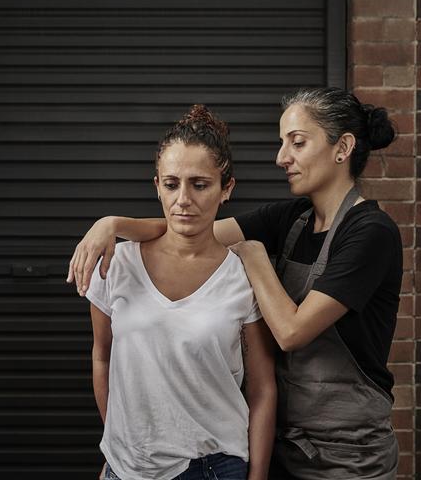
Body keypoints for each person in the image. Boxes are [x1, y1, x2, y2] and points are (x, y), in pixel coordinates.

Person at [68, 87, 402, 479]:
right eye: (282, 143)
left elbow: (293, 332)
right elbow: (190, 226)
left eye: (296, 143)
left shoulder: (370, 233)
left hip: (346, 453)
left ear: (342, 147)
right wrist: (112, 225)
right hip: (287, 445)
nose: (281, 158)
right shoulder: (293, 217)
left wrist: (255, 254)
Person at [84, 104, 276, 480]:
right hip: (126, 469)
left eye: (200, 184)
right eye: (171, 184)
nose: (183, 199)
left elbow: (263, 389)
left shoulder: (241, 276)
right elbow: (101, 359)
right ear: (157, 186)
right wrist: (120, 445)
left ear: (226, 189)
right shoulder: (116, 264)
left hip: (214, 467)